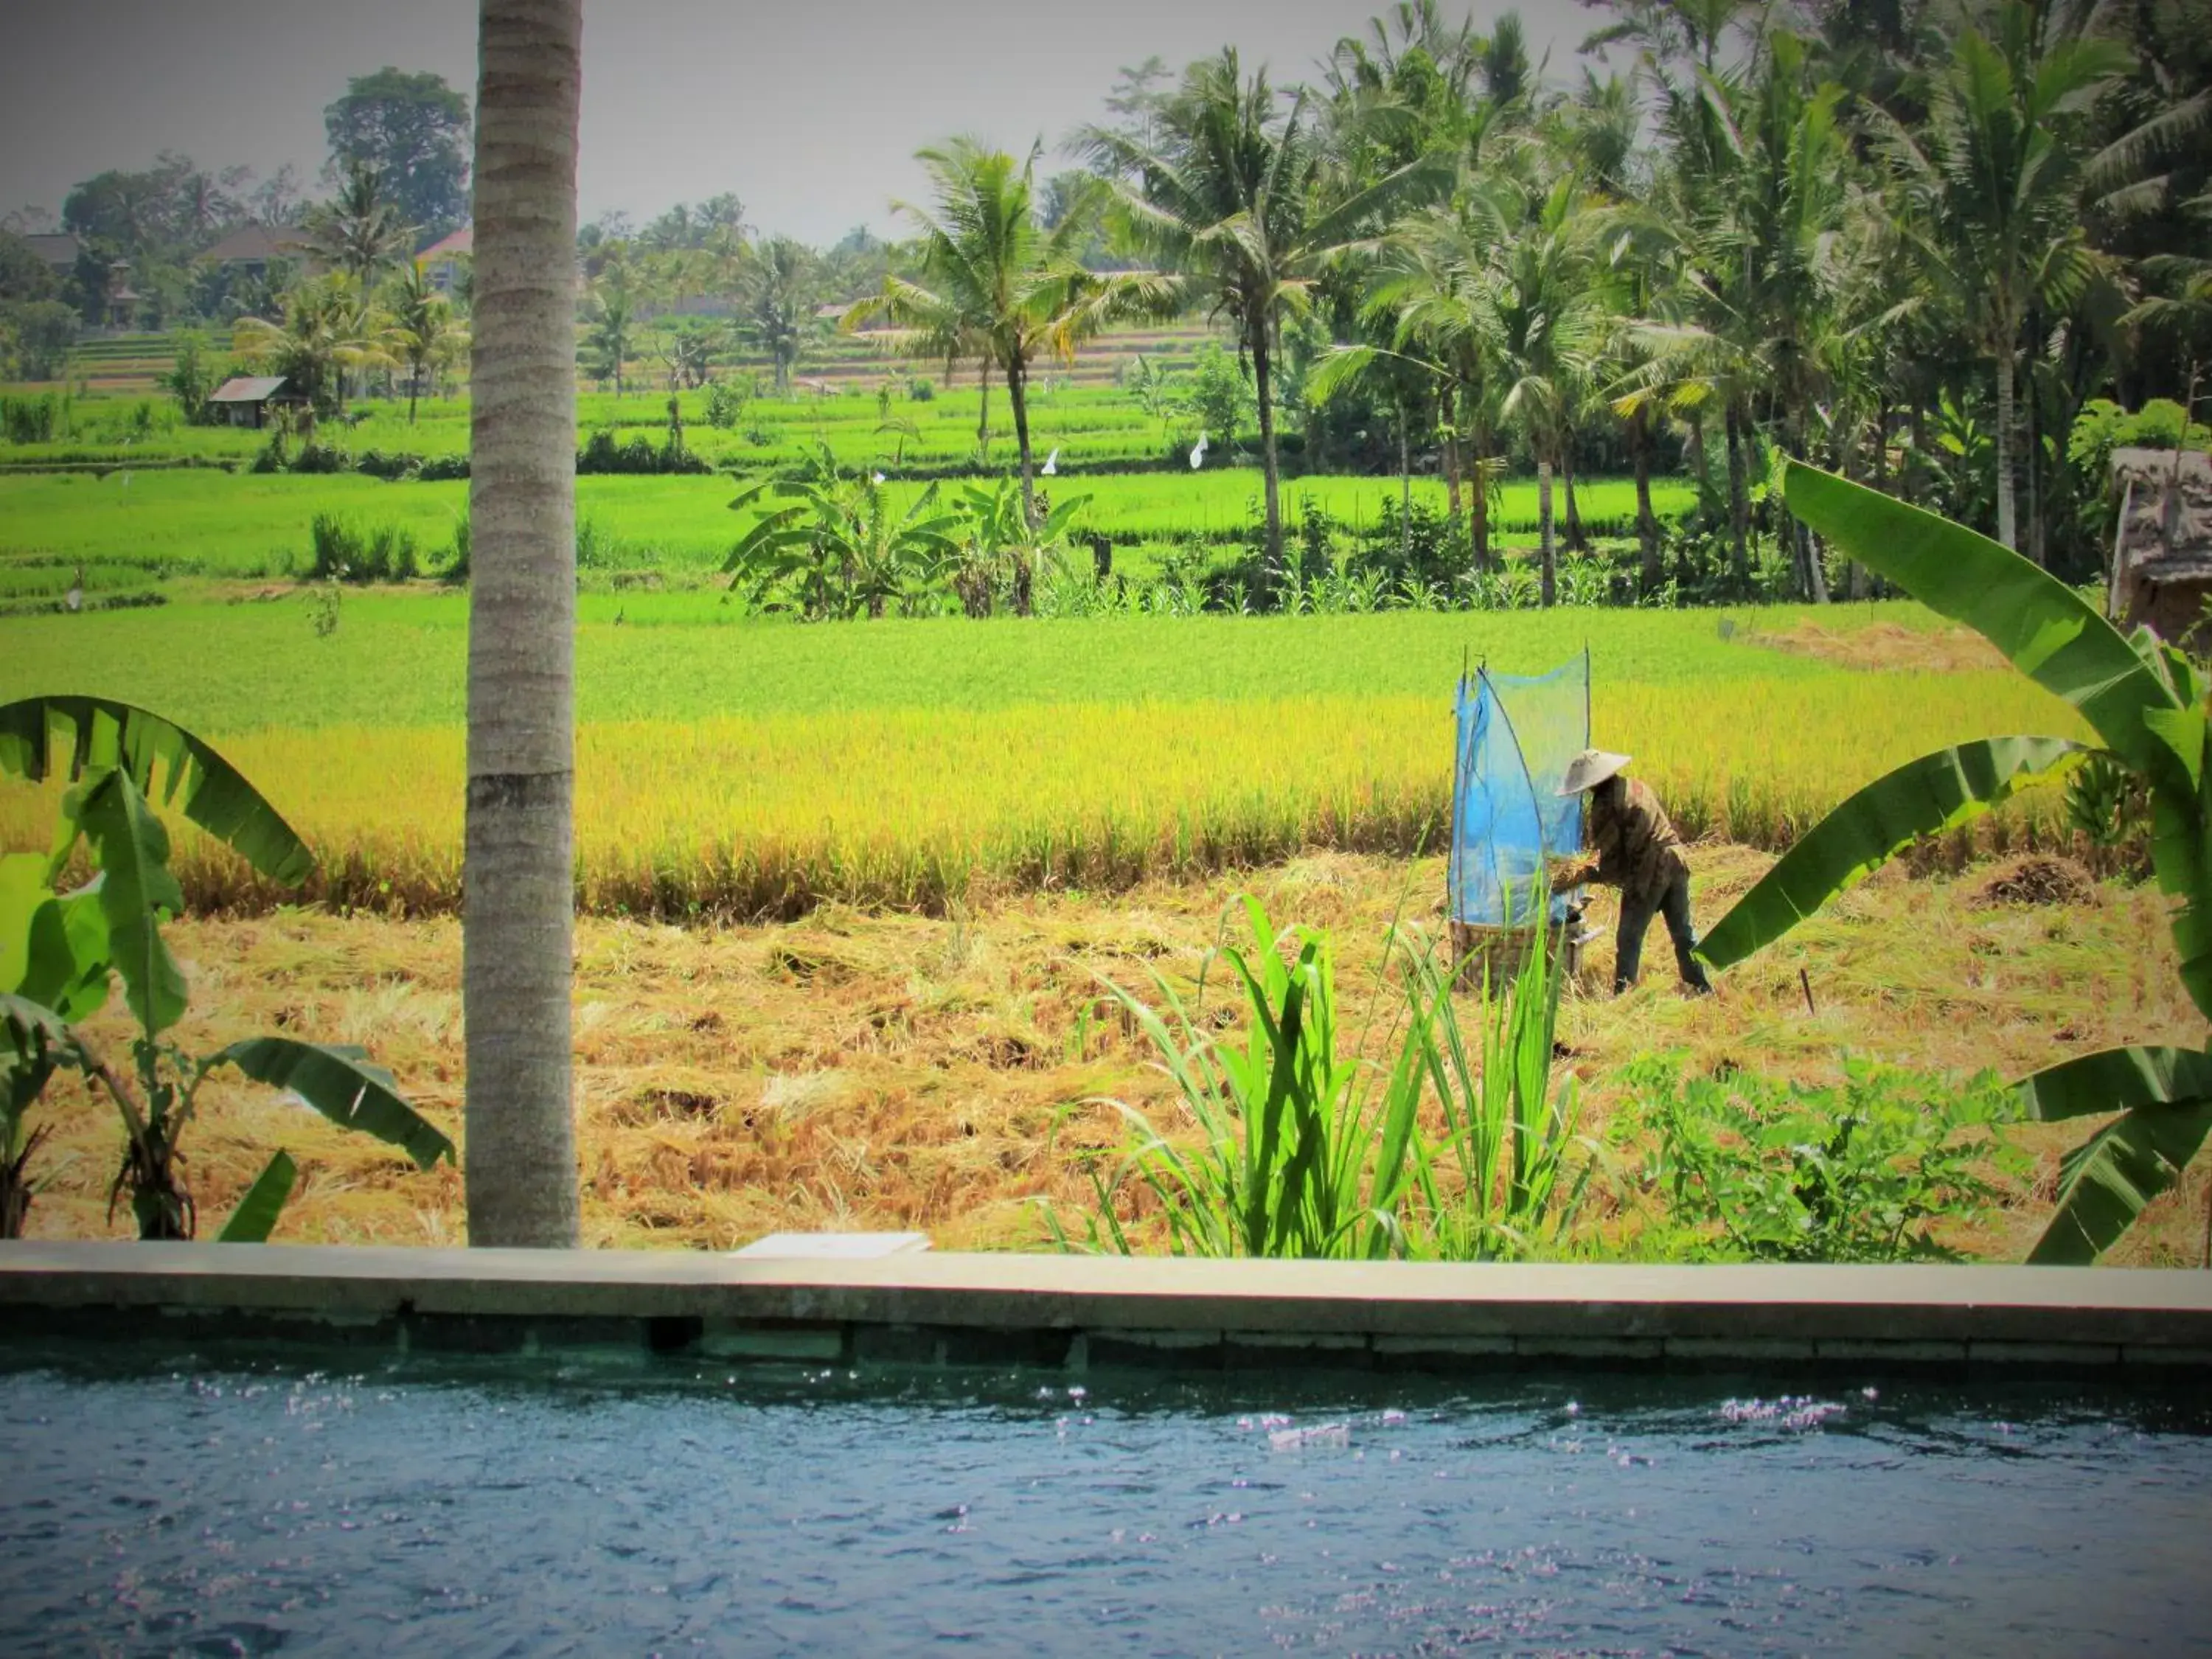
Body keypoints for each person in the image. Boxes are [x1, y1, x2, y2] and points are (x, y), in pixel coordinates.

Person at [1550, 748, 1714, 996]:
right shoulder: (1635, 785)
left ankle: (1623, 993)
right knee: (1683, 932)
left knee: (1629, 936)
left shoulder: (1606, 805)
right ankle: (1701, 986)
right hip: (1676, 858)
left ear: (1591, 783)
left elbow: (1611, 864)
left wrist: (1584, 874)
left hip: (1649, 870)